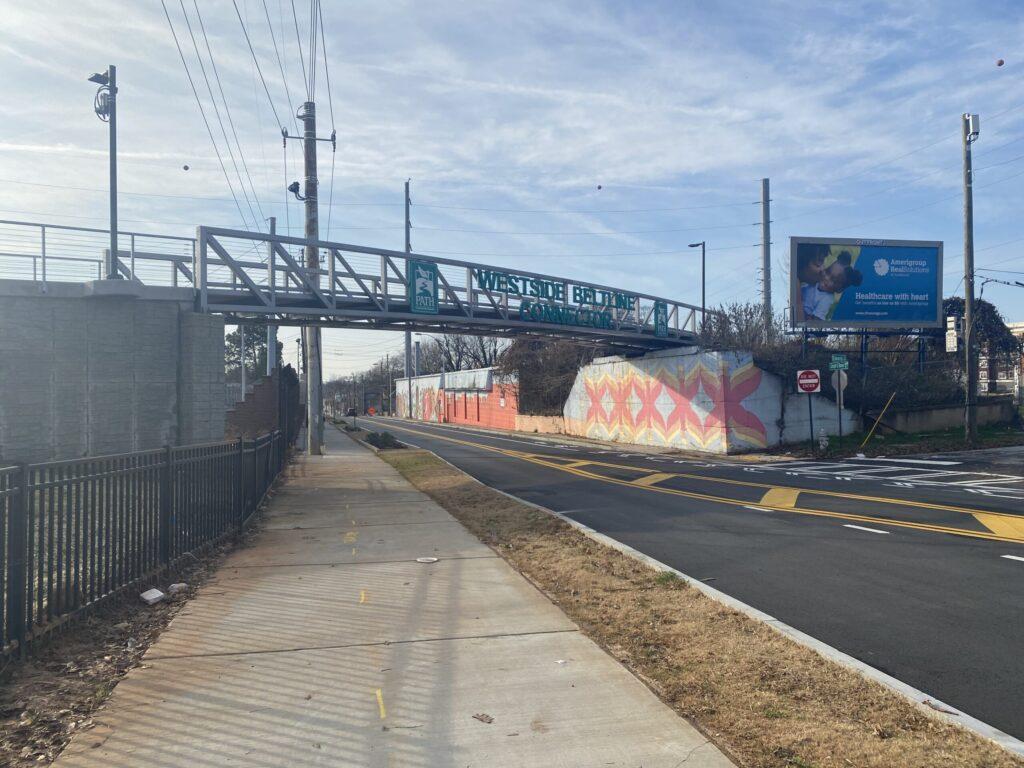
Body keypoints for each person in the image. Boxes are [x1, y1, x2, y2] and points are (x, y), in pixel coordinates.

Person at [801, 252, 862, 320]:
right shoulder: (815, 279)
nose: (826, 278)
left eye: (833, 280)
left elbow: (816, 320)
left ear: (840, 289)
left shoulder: (826, 299)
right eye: (827, 271)